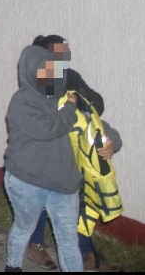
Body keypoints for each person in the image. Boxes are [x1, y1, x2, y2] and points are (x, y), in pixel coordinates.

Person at [25, 35, 123, 272]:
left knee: (78, 203)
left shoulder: (71, 78)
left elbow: (96, 108)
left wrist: (112, 141)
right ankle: (35, 243)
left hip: (73, 164)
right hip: (41, 165)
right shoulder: (36, 90)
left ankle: (87, 256)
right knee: (39, 198)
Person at [3, 44, 84, 272]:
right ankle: (13, 267)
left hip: (63, 183)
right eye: (43, 70)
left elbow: (96, 125)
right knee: (24, 228)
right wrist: (69, 108)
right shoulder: (22, 101)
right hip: (27, 180)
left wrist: (112, 142)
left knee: (68, 240)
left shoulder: (64, 98)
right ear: (30, 71)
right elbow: (49, 128)